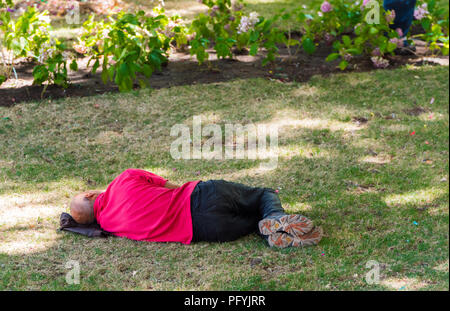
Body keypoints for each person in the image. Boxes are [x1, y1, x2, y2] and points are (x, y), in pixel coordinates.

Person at [70, 169, 323, 249]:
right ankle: (277, 217)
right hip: (202, 196)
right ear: (91, 194)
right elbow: (171, 186)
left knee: (255, 218)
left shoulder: (110, 227)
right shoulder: (124, 179)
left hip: (208, 230)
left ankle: (273, 233)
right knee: (264, 195)